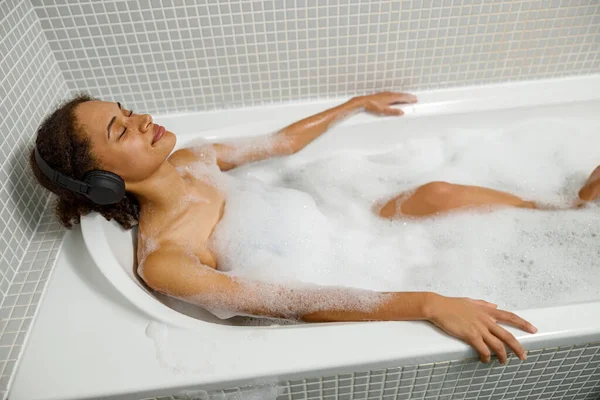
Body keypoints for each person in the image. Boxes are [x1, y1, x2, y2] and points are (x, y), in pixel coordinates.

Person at [29, 92, 600, 365]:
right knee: (458, 244)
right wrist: (429, 301)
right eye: (122, 130)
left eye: (127, 111)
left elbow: (284, 143)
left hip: (348, 227)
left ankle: (569, 213)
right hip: (342, 279)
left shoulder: (193, 159)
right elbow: (296, 301)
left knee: (437, 194)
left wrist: (352, 105)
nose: (143, 120)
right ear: (102, 180)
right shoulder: (167, 258)